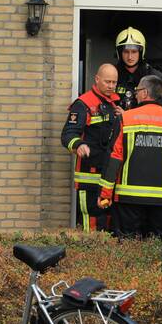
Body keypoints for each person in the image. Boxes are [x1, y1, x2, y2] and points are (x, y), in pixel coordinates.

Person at [98, 75, 162, 242]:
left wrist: (105, 194)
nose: (135, 94)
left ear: (145, 93)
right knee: (159, 247)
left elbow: (114, 158)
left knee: (128, 246)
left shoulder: (126, 118)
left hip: (128, 199)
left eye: (138, 90)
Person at [61, 63, 122, 231]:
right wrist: (78, 144)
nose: (111, 86)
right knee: (92, 224)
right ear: (97, 79)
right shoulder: (83, 104)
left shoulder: (114, 104)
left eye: (114, 82)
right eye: (107, 82)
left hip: (108, 178)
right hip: (89, 178)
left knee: (109, 224)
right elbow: (67, 134)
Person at [113, 27, 162, 111]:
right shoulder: (112, 75)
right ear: (119, 53)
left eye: (134, 52)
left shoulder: (155, 78)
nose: (130, 57)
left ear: (141, 52)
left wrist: (127, 116)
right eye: (126, 52)